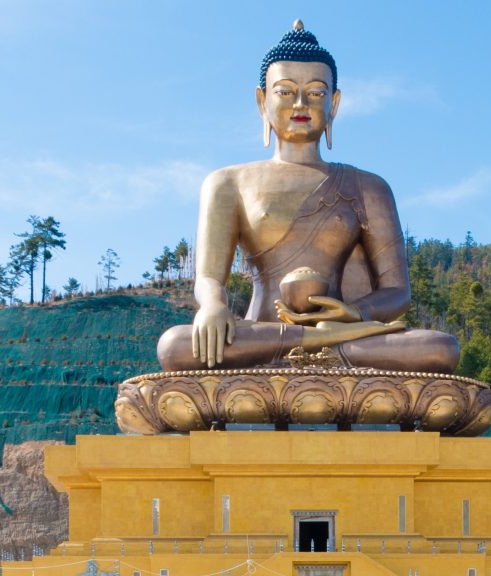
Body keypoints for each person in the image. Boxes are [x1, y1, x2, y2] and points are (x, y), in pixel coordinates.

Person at [157, 20, 459, 373]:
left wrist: (357, 314)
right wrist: (212, 306)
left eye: (316, 92)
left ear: (334, 103)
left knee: (440, 349)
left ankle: (321, 346)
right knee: (175, 346)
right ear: (261, 101)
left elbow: (396, 292)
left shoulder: (369, 187)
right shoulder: (227, 182)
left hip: (345, 334)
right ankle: (315, 346)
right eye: (285, 91)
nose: (301, 102)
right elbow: (209, 278)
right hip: (264, 334)